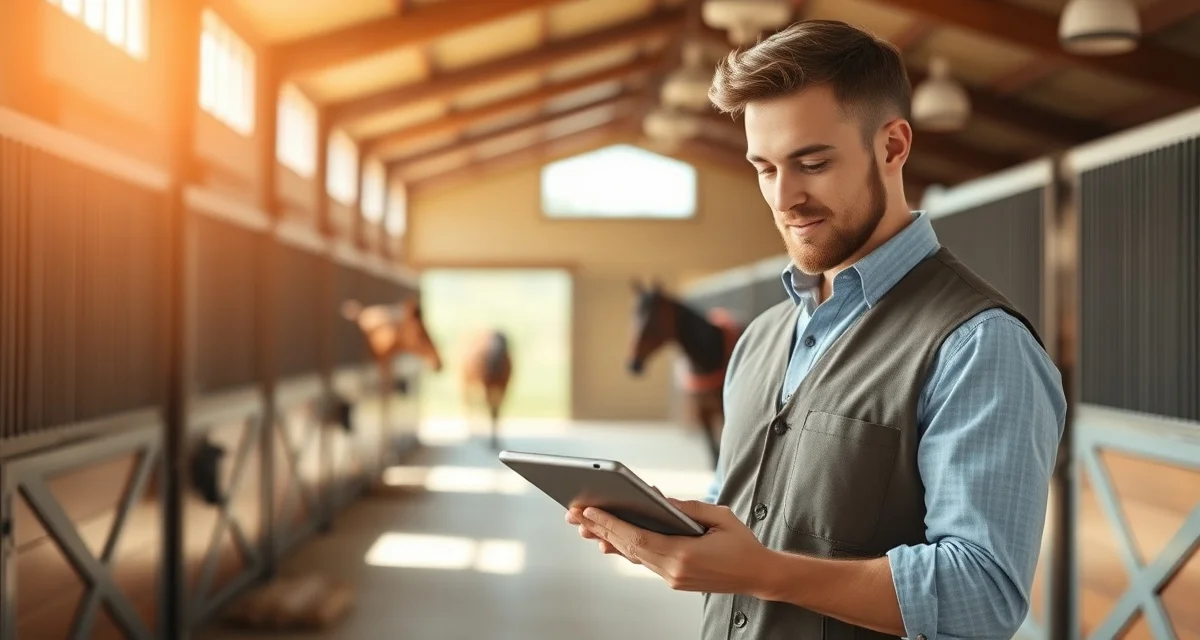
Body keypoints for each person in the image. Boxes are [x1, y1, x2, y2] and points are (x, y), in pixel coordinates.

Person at [566, 19, 1067, 640]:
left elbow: (983, 595)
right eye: (764, 168)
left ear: (892, 147)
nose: (784, 198)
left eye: (812, 163)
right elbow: (742, 513)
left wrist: (764, 572)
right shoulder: (760, 338)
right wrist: (670, 531)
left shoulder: (978, 345)